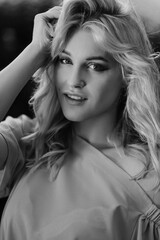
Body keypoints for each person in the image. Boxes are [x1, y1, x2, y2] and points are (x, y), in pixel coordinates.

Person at [0, 0, 160, 239]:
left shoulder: (152, 175)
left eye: (95, 66)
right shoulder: (28, 142)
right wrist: (34, 51)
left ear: (127, 75)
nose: (74, 80)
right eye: (65, 60)